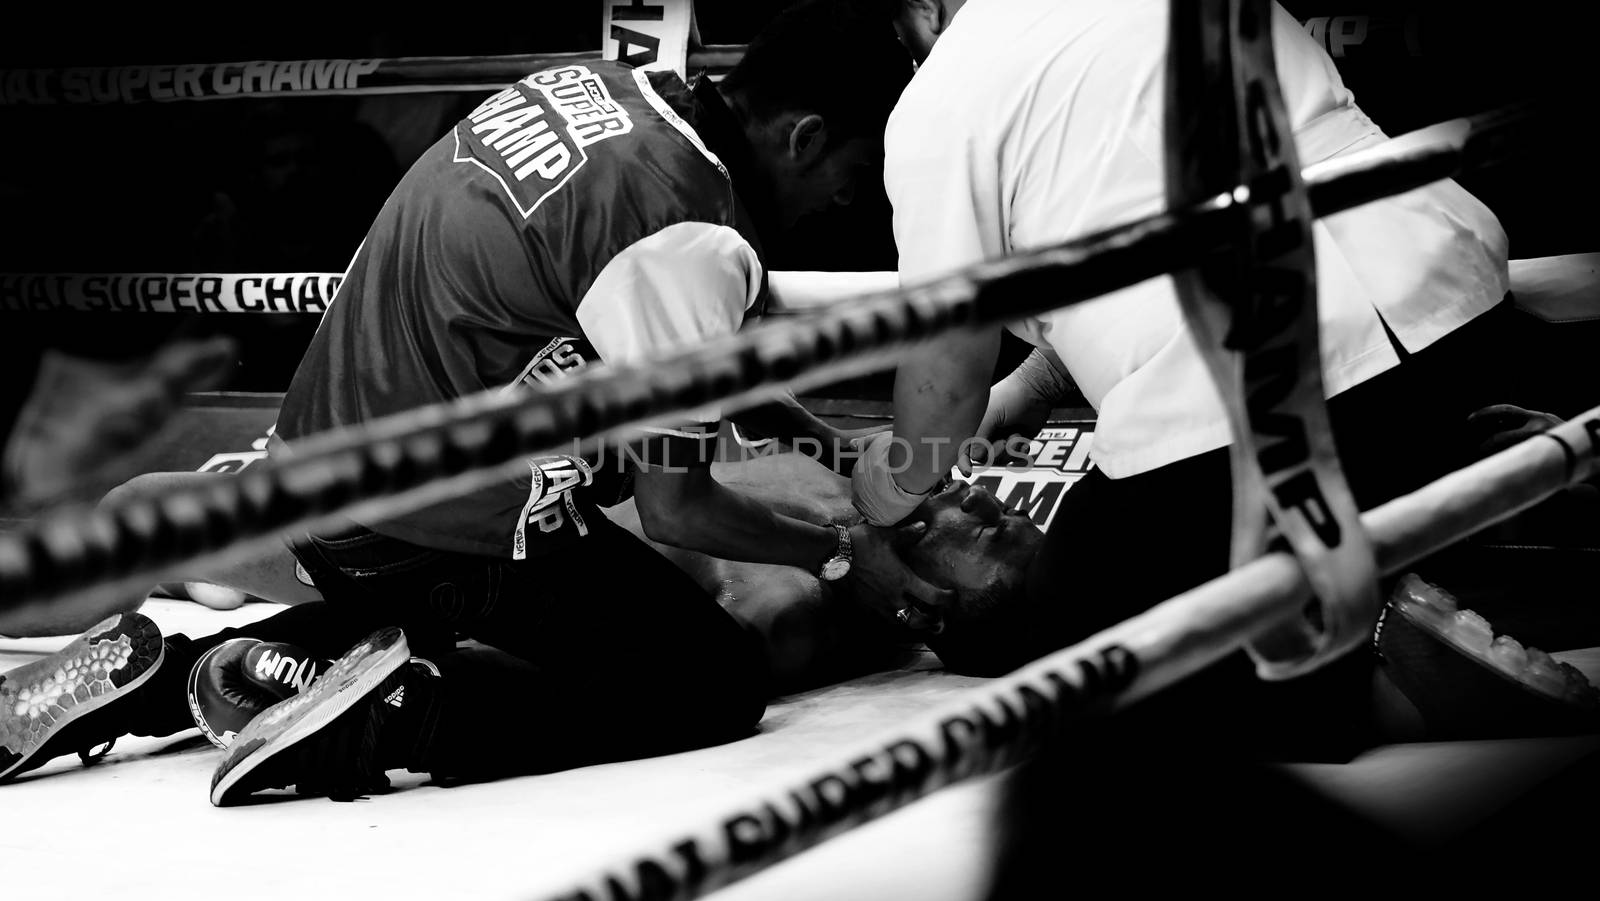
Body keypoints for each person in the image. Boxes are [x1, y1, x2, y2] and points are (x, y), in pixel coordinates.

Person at [2, 0, 941, 803]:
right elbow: (679, 505)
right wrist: (845, 553)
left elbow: (687, 349)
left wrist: (819, 443)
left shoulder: (598, 91)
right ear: (805, 136)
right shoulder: (684, 223)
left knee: (559, 576)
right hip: (417, 521)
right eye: (851, 182)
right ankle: (397, 719)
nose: (841, 210)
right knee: (706, 679)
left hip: (335, 465)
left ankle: (177, 676)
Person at [838, 0, 1514, 758]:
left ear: (929, 8)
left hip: (1262, 389)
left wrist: (891, 485)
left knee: (1078, 651)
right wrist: (1023, 391)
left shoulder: (945, 96)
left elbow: (944, 379)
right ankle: (1420, 580)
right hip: (1453, 306)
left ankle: (1393, 693)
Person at [1, 447, 1044, 783]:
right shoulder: (841, 494)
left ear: (929, 609)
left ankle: (169, 673)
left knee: (145, 521)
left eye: (988, 538)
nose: (985, 503)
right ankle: (182, 670)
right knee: (152, 523)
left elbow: (604, 649)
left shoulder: (801, 604)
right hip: (492, 512)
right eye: (1000, 507)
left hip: (474, 544)